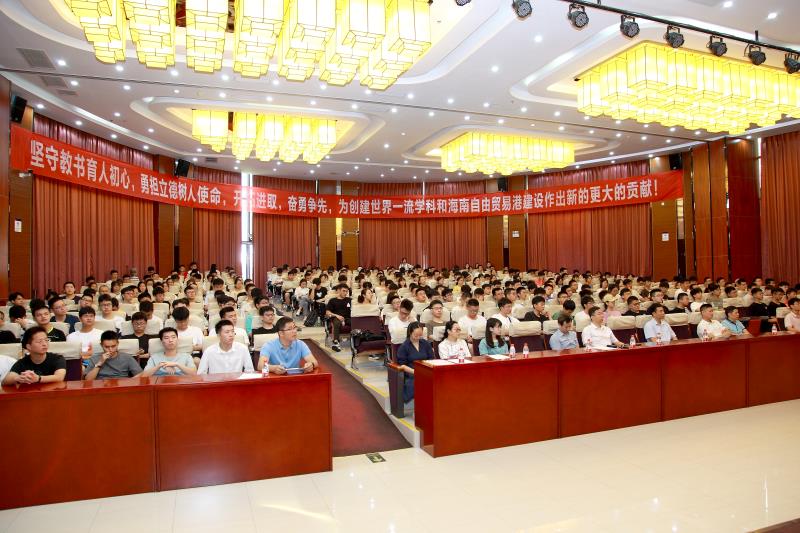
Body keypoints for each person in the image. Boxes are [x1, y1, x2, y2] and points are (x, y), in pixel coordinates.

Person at [1, 327, 66, 385]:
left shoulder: (58, 359)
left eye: (46, 340)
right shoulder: (22, 362)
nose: (44, 344)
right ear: (29, 346)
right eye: (39, 341)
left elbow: (59, 377)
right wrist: (18, 378)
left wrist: (38, 378)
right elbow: (5, 381)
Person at [395, 322, 434, 403]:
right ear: (410, 333)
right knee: (418, 381)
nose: (418, 337)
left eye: (420, 335)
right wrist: (416, 372)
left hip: (426, 369)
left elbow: (431, 359)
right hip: (411, 372)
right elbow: (402, 365)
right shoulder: (404, 347)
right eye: (416, 335)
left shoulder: (425, 343)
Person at [325, 284, 351, 352]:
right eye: (343, 291)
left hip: (348, 318)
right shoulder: (332, 300)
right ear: (339, 291)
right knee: (336, 323)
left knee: (355, 322)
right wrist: (337, 315)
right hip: (337, 318)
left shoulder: (349, 300)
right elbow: (327, 312)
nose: (345, 293)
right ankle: (336, 342)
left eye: (346, 291)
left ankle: (357, 342)